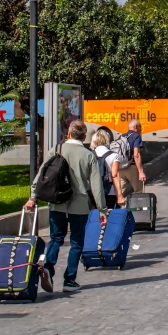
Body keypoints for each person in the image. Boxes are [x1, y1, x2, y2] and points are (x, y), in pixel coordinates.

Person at [26, 121, 108, 293]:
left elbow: (42, 175)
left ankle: (48, 268)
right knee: (76, 242)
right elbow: (96, 186)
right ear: (84, 137)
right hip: (79, 205)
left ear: (68, 134)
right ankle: (69, 281)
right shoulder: (88, 156)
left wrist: (33, 196)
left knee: (56, 238)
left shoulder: (56, 150)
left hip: (57, 203)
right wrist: (102, 210)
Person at [91, 129, 124, 210]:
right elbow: (114, 175)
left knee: (95, 216)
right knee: (112, 217)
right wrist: (120, 196)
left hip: (93, 191)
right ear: (106, 140)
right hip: (110, 191)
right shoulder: (114, 156)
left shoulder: (90, 155)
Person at [118, 119, 147, 198]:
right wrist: (140, 172)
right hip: (132, 168)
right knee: (139, 192)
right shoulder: (136, 136)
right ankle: (138, 209)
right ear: (135, 127)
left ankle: (119, 210)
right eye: (140, 126)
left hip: (120, 169)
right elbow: (136, 154)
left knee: (120, 194)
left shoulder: (121, 136)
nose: (141, 129)